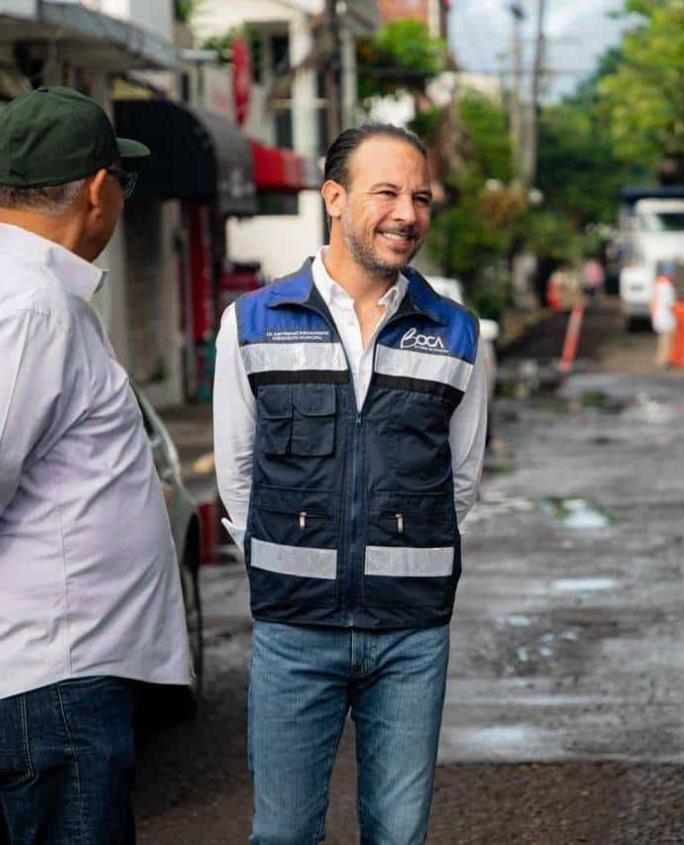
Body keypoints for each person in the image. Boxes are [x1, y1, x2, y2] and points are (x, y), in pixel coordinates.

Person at [213, 123, 488, 844]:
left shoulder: (458, 332)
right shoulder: (251, 323)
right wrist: (289, 569)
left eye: (421, 197)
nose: (408, 213)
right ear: (334, 198)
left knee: (398, 834)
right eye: (387, 192)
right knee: (282, 833)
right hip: (293, 632)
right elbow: (236, 475)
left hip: (410, 635)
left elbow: (460, 481)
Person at [0, 87, 190, 842]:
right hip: (51, 688)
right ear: (98, 189)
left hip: (54, 682)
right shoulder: (30, 304)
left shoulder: (33, 293)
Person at [651, 266, 677, 367]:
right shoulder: (667, 287)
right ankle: (664, 360)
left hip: (658, 314)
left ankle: (659, 359)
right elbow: (670, 303)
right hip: (666, 315)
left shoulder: (658, 284)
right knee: (667, 339)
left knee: (662, 339)